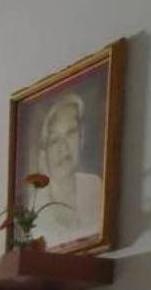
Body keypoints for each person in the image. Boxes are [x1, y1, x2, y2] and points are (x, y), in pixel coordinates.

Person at [32, 90, 102, 246]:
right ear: (43, 155)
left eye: (70, 133)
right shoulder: (35, 211)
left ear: (81, 138)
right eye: (54, 140)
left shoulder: (95, 186)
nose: (63, 147)